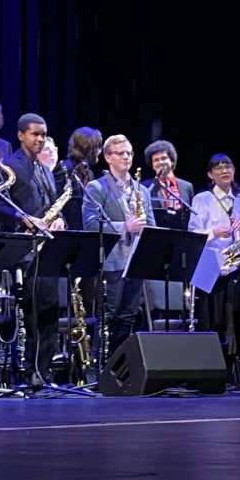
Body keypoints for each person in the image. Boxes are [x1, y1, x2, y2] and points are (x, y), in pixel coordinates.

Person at [0, 113, 66, 385]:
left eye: (43, 135)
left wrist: (59, 220)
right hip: (23, 251)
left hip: (47, 250)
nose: (40, 139)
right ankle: (31, 372)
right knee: (33, 314)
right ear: (21, 135)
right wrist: (22, 218)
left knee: (49, 314)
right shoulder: (7, 166)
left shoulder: (45, 169)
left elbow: (53, 204)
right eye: (35, 134)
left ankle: (43, 373)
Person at [81, 134, 154, 359]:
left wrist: (146, 229)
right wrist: (126, 226)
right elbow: (91, 225)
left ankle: (120, 364)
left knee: (128, 316)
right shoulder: (96, 187)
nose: (126, 157)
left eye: (129, 153)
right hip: (112, 262)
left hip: (136, 262)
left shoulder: (141, 190)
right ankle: (100, 365)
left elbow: (151, 223)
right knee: (108, 317)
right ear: (107, 157)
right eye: (120, 153)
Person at [188, 154, 240, 369]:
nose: (224, 170)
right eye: (218, 167)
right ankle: (212, 367)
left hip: (235, 264)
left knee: (236, 317)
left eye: (228, 166)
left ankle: (236, 369)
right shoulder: (202, 199)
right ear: (210, 175)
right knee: (212, 318)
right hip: (210, 263)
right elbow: (193, 233)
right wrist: (214, 233)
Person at [53, 126, 103, 230]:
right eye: (98, 146)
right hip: (67, 231)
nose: (100, 151)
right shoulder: (64, 168)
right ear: (89, 147)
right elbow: (54, 200)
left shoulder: (89, 173)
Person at [141, 139, 193, 231]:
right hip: (157, 237)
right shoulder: (145, 187)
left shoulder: (187, 186)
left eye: (164, 158)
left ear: (172, 161)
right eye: (156, 160)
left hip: (182, 236)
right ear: (152, 165)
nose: (160, 162)